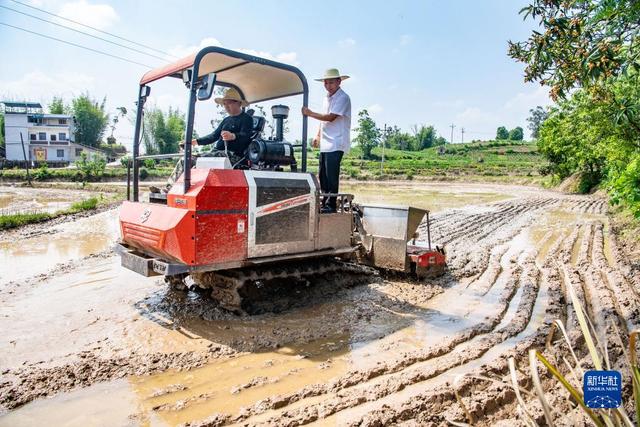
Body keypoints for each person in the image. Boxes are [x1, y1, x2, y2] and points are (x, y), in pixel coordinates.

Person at [150, 88, 253, 193]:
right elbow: (213, 136)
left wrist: (233, 136)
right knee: (185, 160)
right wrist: (194, 142)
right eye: (224, 104)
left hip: (233, 156)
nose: (226, 107)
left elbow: (246, 136)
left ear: (238, 103)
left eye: (229, 103)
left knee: (195, 160)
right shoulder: (226, 120)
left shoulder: (247, 119)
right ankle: (170, 189)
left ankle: (186, 190)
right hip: (217, 154)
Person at [302, 68, 351, 213]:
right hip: (326, 142)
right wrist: (317, 135)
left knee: (331, 175)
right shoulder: (326, 98)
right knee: (322, 174)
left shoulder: (343, 98)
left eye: (331, 82)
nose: (328, 86)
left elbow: (330, 117)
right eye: (326, 83)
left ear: (339, 82)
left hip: (336, 142)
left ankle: (331, 204)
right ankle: (325, 202)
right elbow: (323, 120)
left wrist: (310, 113)